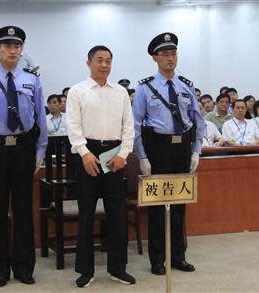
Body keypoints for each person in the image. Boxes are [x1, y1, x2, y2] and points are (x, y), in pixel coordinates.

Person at [0, 25, 47, 288]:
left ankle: (24, 267)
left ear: (22, 50)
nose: (12, 50)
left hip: (24, 149)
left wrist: (40, 151)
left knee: (25, 211)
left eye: (17, 46)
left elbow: (40, 119)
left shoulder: (32, 80)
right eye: (7, 46)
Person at [133, 32, 204, 275]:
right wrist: (142, 156)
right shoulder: (144, 88)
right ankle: (157, 259)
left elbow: (198, 121)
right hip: (158, 148)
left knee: (179, 204)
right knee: (157, 206)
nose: (170, 58)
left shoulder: (186, 86)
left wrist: (196, 151)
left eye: (173, 53)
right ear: (155, 58)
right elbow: (135, 125)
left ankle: (178, 256)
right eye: (164, 54)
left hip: (182, 148)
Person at [67, 45, 135, 288]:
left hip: (115, 155)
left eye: (108, 60)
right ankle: (85, 270)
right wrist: (85, 154)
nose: (104, 65)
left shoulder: (121, 93)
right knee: (86, 215)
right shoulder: (77, 91)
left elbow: (129, 126)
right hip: (88, 155)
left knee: (117, 214)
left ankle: (118, 268)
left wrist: (124, 154)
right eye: (99, 60)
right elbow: (73, 127)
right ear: (89, 63)